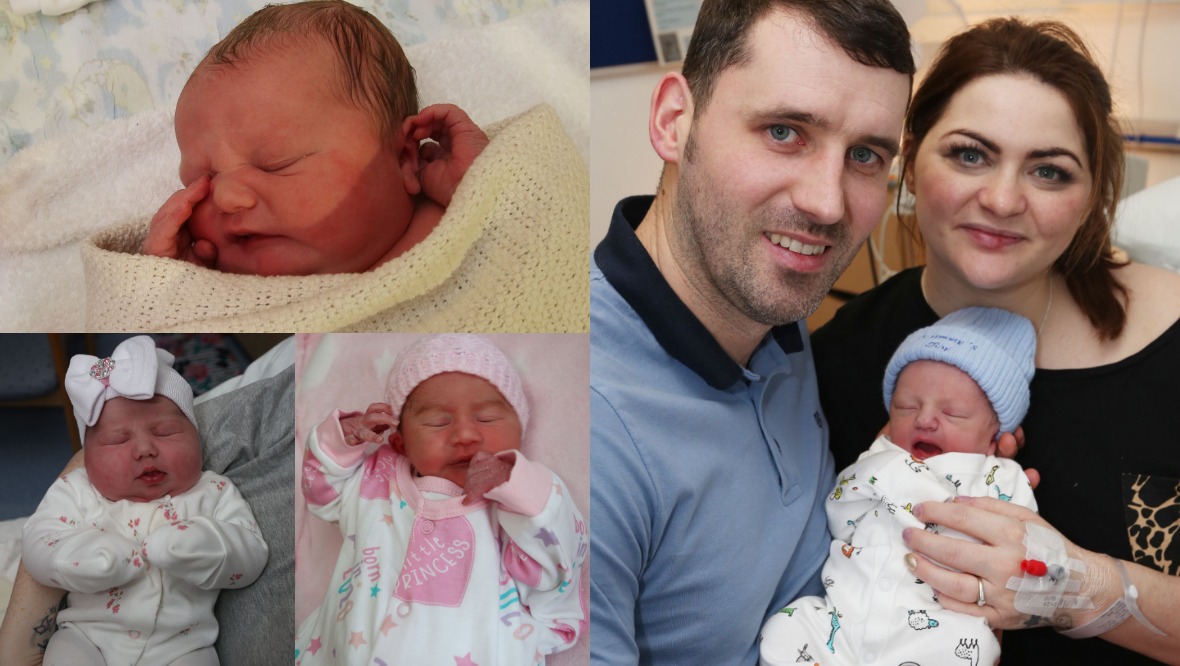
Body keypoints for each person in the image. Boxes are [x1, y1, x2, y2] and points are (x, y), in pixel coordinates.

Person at [811, 17, 1180, 665]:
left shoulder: (1169, 339)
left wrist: (1076, 588)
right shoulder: (839, 357)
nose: (1004, 199)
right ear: (912, 159)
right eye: (970, 154)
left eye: (1050, 171)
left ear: (1093, 194)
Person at [589, 0, 915, 663]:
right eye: (784, 132)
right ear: (675, 122)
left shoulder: (773, 310)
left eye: (865, 154)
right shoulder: (585, 436)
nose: (827, 203)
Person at [760, 307, 1038, 666]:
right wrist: (879, 469)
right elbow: (841, 515)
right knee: (783, 631)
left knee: (978, 647)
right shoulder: (882, 457)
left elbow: (1020, 548)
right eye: (906, 407)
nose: (924, 419)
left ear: (994, 436)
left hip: (933, 635)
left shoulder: (999, 477)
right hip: (843, 624)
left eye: (951, 413)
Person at [296, 334, 587, 664]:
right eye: (438, 422)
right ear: (401, 443)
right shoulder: (374, 481)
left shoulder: (520, 502)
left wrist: (513, 484)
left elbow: (557, 566)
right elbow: (320, 493)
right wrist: (341, 438)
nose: (465, 435)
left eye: (487, 418)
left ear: (520, 430)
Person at [142, 0, 489, 276]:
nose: (227, 197)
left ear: (405, 159)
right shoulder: (220, 284)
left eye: (277, 163)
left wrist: (482, 185)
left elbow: (533, 232)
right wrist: (165, 279)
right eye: (203, 179)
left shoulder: (465, 218)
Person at [20, 336, 269, 665]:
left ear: (197, 437)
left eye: (165, 432)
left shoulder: (213, 491)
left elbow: (251, 556)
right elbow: (37, 541)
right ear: (87, 457)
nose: (145, 449)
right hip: (87, 637)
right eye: (117, 439)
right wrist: (77, 558)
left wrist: (204, 544)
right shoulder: (76, 489)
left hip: (182, 646)